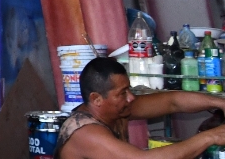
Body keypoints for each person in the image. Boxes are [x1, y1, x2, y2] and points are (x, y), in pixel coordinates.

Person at [56, 57, 225, 158]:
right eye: (122, 93)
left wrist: (219, 103)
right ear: (97, 99)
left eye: (128, 89)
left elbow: (172, 101)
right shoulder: (85, 133)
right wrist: (211, 137)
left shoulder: (118, 109)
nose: (131, 97)